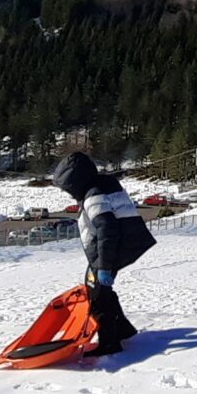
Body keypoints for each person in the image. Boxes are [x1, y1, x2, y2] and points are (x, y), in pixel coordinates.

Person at [51, 151, 157, 356]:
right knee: (101, 290)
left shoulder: (94, 195)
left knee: (97, 296)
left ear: (76, 182)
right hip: (116, 248)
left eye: (68, 188)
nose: (68, 194)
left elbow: (107, 230)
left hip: (111, 250)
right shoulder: (102, 186)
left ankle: (109, 343)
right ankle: (123, 329)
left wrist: (105, 267)